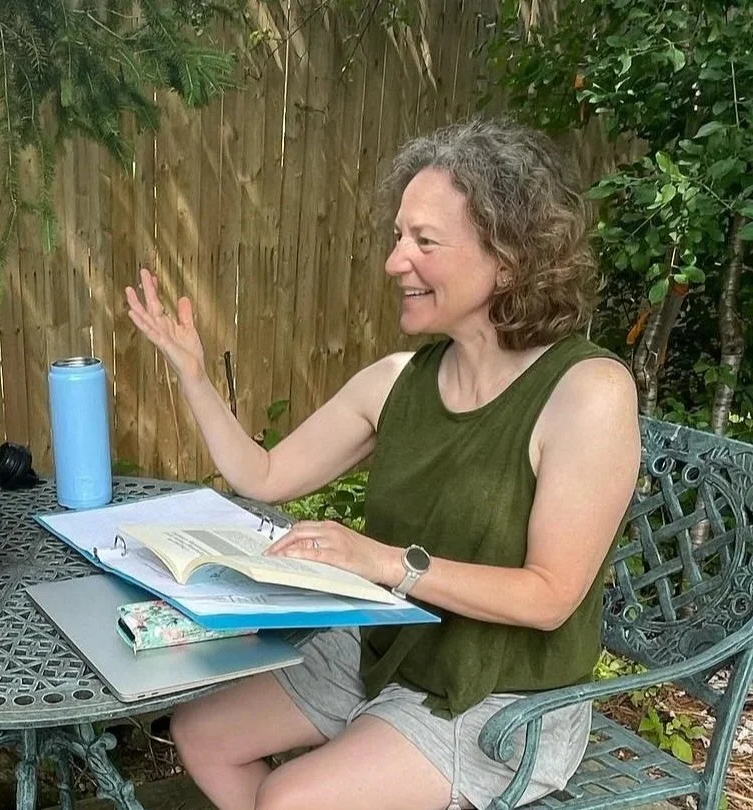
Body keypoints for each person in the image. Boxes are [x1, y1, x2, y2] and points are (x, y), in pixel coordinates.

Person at [125, 118, 640, 810]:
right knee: (201, 732)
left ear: (510, 259)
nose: (396, 261)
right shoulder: (397, 380)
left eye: (424, 241)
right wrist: (192, 375)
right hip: (391, 651)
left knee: (290, 798)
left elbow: (549, 597)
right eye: (398, 237)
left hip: (504, 698)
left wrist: (390, 564)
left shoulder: (587, 393)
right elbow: (263, 475)